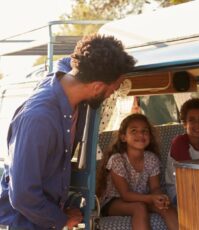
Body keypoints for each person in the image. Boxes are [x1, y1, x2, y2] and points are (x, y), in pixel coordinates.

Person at [0, 34, 135, 229]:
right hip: (23, 223)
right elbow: (22, 195)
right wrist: (61, 219)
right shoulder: (39, 119)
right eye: (111, 90)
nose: (111, 95)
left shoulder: (70, 80)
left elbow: (66, 62)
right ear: (97, 87)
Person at [96, 113, 179, 230]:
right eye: (134, 131)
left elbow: (155, 188)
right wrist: (151, 198)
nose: (140, 134)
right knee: (139, 207)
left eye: (145, 131)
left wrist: (159, 198)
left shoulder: (151, 158)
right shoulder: (117, 160)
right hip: (114, 202)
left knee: (166, 207)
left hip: (144, 197)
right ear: (123, 137)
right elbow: (125, 195)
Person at [165, 98, 199, 202]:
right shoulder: (179, 142)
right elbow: (188, 175)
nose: (197, 125)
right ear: (185, 124)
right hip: (179, 190)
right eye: (192, 120)